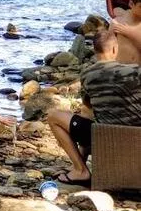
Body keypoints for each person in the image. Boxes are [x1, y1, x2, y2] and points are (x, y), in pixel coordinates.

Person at [47, 31, 141, 185]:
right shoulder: (135, 71)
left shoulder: (87, 74)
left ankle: (80, 170)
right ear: (115, 49)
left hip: (104, 137)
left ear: (95, 50)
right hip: (136, 137)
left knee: (54, 116)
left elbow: (87, 108)